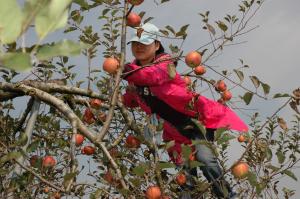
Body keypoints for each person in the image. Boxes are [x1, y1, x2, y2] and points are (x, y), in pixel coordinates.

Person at [122, 23, 247, 199]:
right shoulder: (134, 78)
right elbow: (135, 100)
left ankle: (227, 196)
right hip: (173, 132)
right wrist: (126, 96)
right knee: (186, 178)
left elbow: (153, 76)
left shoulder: (165, 64)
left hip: (194, 123)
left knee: (206, 161)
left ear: (156, 45)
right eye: (135, 43)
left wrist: (128, 71)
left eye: (145, 43)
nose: (139, 47)